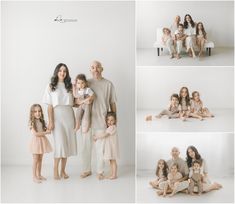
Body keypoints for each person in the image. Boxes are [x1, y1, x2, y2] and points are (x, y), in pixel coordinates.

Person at [76, 60, 117, 180]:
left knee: (100, 149)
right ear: (90, 70)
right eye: (93, 67)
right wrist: (82, 102)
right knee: (85, 147)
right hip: (86, 121)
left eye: (98, 67)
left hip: (102, 121)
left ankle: (100, 171)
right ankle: (86, 170)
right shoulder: (85, 83)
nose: (96, 69)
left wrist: (115, 119)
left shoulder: (109, 84)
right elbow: (77, 100)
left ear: (102, 69)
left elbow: (112, 103)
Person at [43, 63, 77, 180]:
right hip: (57, 116)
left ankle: (63, 170)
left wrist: (85, 100)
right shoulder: (51, 86)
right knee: (60, 144)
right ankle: (55, 170)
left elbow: (75, 103)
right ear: (56, 72)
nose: (62, 73)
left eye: (65, 71)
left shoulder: (70, 86)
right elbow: (49, 106)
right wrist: (51, 121)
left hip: (69, 115)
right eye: (60, 71)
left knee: (66, 145)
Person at [29, 104, 52, 183]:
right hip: (36, 143)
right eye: (35, 111)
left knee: (40, 159)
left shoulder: (42, 121)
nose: (37, 113)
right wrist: (46, 133)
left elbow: (46, 129)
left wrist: (49, 128)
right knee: (35, 160)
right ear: (32, 113)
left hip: (42, 142)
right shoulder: (32, 122)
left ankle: (39, 174)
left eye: (39, 111)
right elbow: (36, 134)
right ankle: (34, 176)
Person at [94, 112, 119, 179]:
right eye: (108, 120)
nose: (109, 122)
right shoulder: (110, 128)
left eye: (111, 120)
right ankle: (112, 173)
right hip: (110, 147)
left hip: (112, 147)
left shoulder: (112, 127)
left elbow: (105, 135)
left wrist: (96, 137)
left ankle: (114, 175)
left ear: (115, 121)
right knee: (111, 160)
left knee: (113, 160)